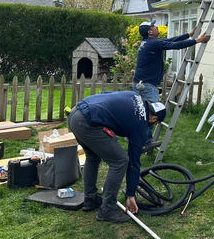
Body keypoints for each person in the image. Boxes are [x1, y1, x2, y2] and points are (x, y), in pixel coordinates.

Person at [67, 91, 167, 223]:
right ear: (154, 119)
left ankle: (90, 199)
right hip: (89, 123)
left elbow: (106, 95)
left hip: (76, 113)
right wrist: (131, 194)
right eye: (154, 124)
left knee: (93, 157)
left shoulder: (134, 95)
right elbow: (133, 162)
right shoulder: (141, 126)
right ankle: (107, 210)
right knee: (120, 161)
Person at [132, 20, 211, 103]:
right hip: (147, 86)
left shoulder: (147, 42)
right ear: (150, 32)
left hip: (140, 83)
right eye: (153, 26)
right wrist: (198, 40)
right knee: (153, 112)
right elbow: (175, 45)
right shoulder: (153, 43)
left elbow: (170, 40)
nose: (156, 27)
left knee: (142, 111)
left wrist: (189, 35)